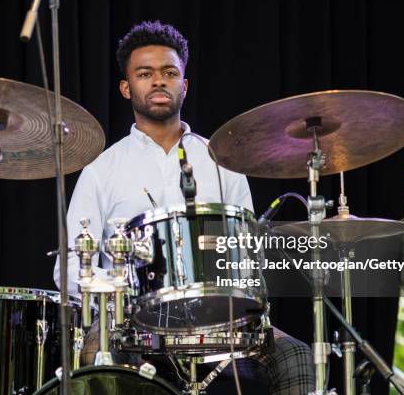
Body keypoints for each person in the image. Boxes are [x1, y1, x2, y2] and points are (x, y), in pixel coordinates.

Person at [54, 20, 314, 394]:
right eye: (145, 74)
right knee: (93, 358)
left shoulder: (223, 163)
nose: (158, 81)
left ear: (184, 84)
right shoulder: (100, 171)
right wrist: (110, 304)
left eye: (169, 73)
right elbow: (68, 267)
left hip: (220, 319)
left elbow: (248, 258)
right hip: (130, 322)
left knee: (296, 354)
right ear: (127, 88)